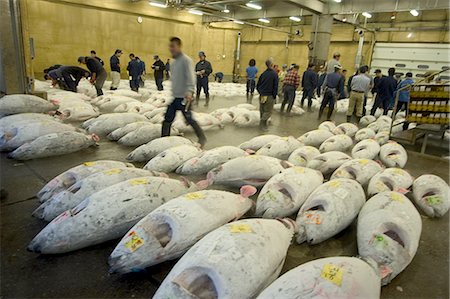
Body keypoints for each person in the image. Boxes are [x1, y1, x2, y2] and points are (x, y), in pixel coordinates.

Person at [161, 37, 206, 148]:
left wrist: (190, 91)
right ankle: (163, 142)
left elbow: (191, 77)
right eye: (170, 46)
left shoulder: (186, 60)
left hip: (184, 97)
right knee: (167, 119)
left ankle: (202, 138)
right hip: (175, 97)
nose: (171, 48)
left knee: (189, 119)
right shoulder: (173, 62)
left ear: (179, 46)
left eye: (173, 46)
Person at [256, 58, 278, 131]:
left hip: (262, 95)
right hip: (269, 95)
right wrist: (274, 96)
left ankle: (263, 124)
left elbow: (258, 85)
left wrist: (260, 92)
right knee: (268, 111)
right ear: (271, 65)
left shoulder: (263, 74)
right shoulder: (274, 74)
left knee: (262, 110)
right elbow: (275, 86)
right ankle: (262, 124)